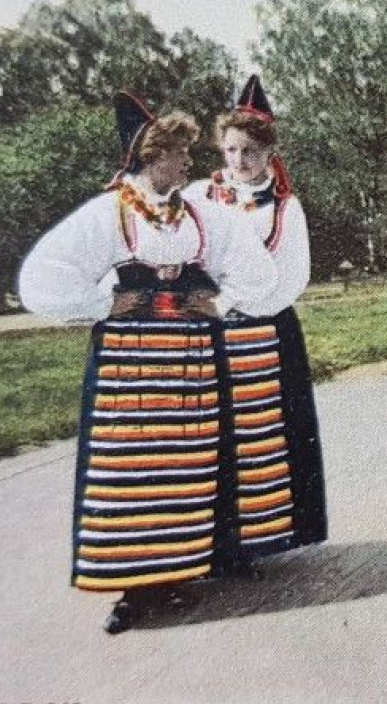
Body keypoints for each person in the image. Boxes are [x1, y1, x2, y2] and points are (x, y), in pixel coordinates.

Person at [17, 93, 278, 634]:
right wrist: (101, 303)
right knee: (130, 470)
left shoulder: (203, 215)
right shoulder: (105, 213)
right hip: (127, 366)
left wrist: (221, 304)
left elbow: (258, 272)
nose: (189, 163)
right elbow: (40, 278)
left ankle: (176, 574)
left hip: (189, 363)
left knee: (183, 467)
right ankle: (133, 589)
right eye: (179, 153)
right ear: (152, 157)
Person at [187, 75, 327, 575]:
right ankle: (202, 543)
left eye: (250, 151)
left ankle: (252, 541)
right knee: (206, 437)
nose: (240, 162)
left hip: (264, 330)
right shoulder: (198, 197)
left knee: (259, 440)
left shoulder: (286, 208)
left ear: (268, 153)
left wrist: (233, 302)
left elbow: (292, 278)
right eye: (231, 150)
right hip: (203, 334)